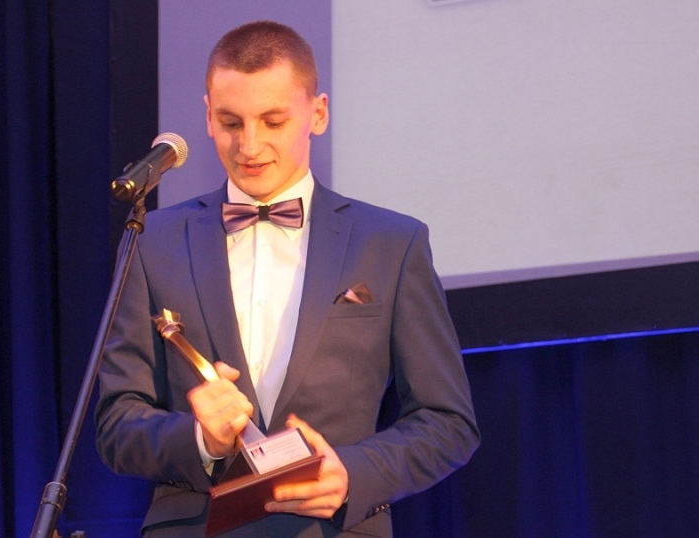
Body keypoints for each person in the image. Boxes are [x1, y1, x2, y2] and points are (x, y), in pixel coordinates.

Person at [95, 20, 479, 537]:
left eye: (273, 121)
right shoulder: (153, 241)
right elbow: (117, 424)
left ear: (317, 113)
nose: (249, 145)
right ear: (207, 115)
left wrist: (354, 474)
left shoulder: (391, 243)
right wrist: (202, 440)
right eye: (231, 122)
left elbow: (448, 422)